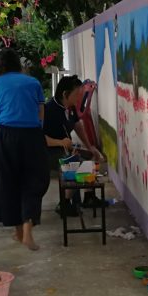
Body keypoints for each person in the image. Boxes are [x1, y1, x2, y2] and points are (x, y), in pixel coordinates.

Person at [0, 48, 49, 251]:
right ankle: (28, 230)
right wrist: (35, 133)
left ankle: (18, 232)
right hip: (32, 134)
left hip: (5, 134)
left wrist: (1, 138)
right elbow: (40, 114)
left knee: (9, 182)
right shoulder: (33, 82)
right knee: (34, 180)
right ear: (18, 64)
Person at [43, 75, 104, 215]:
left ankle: (88, 197)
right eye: (77, 94)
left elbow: (77, 126)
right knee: (77, 166)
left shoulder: (70, 107)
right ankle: (64, 204)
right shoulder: (49, 110)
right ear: (65, 94)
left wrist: (90, 146)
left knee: (91, 157)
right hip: (49, 152)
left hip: (67, 149)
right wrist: (60, 142)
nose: (79, 98)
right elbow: (40, 138)